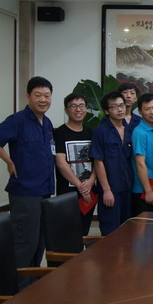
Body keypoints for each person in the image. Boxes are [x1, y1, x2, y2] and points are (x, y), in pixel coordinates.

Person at [0, 76, 55, 288]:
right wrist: (8, 161)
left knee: (39, 242)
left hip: (44, 190)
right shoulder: (18, 120)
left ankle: (33, 286)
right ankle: (18, 290)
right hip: (25, 192)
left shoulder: (47, 123)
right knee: (25, 242)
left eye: (47, 95)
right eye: (38, 95)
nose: (43, 100)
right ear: (28, 97)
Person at [91, 92, 134, 235]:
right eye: (115, 107)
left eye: (122, 105)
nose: (120, 109)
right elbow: (98, 162)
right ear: (106, 111)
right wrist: (106, 190)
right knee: (110, 232)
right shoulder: (100, 132)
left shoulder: (129, 130)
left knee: (127, 231)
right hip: (111, 189)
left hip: (128, 188)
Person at [53, 92, 96, 235]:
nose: (78, 109)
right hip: (68, 192)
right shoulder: (59, 133)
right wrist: (80, 186)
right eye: (73, 106)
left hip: (89, 191)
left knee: (84, 230)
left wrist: (91, 181)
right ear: (66, 110)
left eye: (81, 106)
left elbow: (98, 161)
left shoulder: (92, 133)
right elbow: (60, 162)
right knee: (67, 232)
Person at [131, 93, 153, 216]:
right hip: (144, 189)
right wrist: (148, 191)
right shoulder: (139, 132)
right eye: (147, 109)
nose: (152, 112)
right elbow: (140, 164)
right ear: (140, 111)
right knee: (144, 225)